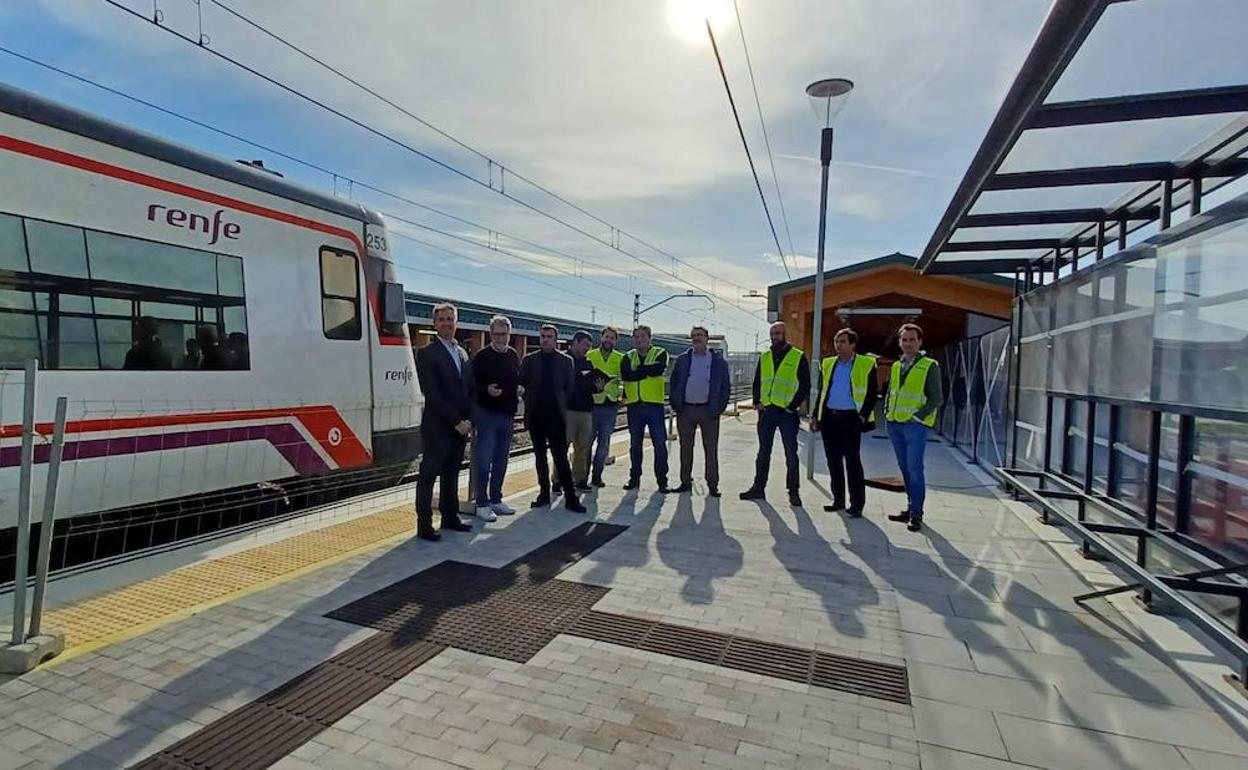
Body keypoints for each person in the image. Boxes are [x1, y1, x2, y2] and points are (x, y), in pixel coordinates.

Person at [413, 302, 474, 541]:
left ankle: (450, 517)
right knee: (428, 475)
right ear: (434, 323)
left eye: (451, 319)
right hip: (438, 426)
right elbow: (433, 392)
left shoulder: (462, 352)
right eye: (442, 319)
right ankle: (425, 525)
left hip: (460, 427)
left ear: (456, 322)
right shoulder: (427, 354)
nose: (447, 323)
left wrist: (469, 419)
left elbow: (468, 389)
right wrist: (456, 420)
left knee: (452, 473)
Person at [519, 324, 587, 513]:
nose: (545, 339)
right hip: (535, 416)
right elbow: (522, 383)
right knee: (539, 457)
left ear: (556, 340)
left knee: (560, 457)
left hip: (556, 417)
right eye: (542, 336)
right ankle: (543, 494)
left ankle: (571, 498)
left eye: (549, 336)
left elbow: (569, 387)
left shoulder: (565, 361)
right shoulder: (529, 360)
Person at [740, 321, 809, 506]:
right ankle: (758, 488)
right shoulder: (765, 357)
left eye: (777, 333)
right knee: (763, 452)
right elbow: (757, 381)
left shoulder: (797, 356)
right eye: (772, 333)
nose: (774, 337)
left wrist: (792, 405)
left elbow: (804, 385)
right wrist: (756, 402)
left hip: (787, 413)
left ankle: (793, 491)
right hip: (767, 412)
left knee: (791, 454)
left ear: (785, 334)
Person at [811, 328, 879, 517]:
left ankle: (857, 504)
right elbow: (822, 392)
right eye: (836, 341)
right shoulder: (828, 363)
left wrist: (863, 416)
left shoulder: (866, 364)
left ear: (852, 344)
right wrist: (816, 416)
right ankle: (838, 500)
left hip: (851, 419)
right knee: (833, 462)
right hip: (829, 419)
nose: (838, 345)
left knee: (852, 462)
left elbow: (872, 393)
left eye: (842, 342)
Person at [884, 323, 943, 532]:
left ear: (920, 341)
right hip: (895, 425)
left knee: (915, 469)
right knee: (905, 469)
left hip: (914, 427)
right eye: (904, 340)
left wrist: (918, 417)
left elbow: (936, 398)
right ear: (900, 342)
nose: (908, 343)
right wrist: (886, 412)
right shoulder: (897, 365)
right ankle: (910, 508)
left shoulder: (929, 365)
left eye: (912, 339)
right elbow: (891, 391)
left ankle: (916, 514)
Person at [669, 325, 731, 496]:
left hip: (708, 411)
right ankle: (685, 481)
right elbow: (674, 382)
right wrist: (676, 404)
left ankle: (712, 485)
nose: (696, 338)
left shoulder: (718, 362)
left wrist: (719, 408)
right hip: (686, 410)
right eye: (693, 335)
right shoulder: (683, 359)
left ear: (707, 338)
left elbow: (726, 387)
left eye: (699, 335)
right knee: (685, 448)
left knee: (711, 449)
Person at [471, 315, 521, 522]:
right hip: (486, 415)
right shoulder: (482, 356)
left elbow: (516, 378)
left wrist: (519, 388)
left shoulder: (512, 354)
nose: (501, 338)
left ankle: (496, 499)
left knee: (501, 460)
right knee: (483, 460)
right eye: (497, 334)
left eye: (504, 334)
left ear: (509, 334)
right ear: (491, 334)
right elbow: (472, 385)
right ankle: (481, 503)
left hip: (507, 415)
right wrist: (485, 390)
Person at [620, 325, 669, 492]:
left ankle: (662, 481)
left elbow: (658, 370)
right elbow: (626, 375)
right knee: (635, 445)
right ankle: (634, 479)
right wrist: (645, 371)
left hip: (654, 406)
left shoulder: (660, 353)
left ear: (649, 337)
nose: (639, 340)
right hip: (634, 407)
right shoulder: (628, 357)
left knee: (660, 445)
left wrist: (639, 371)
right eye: (636, 337)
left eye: (642, 336)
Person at [566, 331, 605, 492]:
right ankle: (558, 479)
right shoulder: (564, 360)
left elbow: (590, 388)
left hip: (586, 410)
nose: (587, 349)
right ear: (575, 342)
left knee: (583, 447)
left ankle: (580, 479)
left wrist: (598, 388)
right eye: (585, 345)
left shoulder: (588, 363)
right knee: (563, 446)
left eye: (589, 346)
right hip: (567, 410)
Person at [586, 326, 624, 487]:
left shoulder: (621, 358)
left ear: (615, 341)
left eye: (612, 338)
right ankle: (582, 476)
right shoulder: (590, 355)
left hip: (610, 405)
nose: (609, 340)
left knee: (604, 443)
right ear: (601, 338)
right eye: (606, 337)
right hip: (591, 404)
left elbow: (624, 380)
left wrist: (623, 396)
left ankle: (597, 476)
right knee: (586, 443)